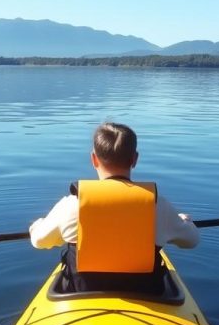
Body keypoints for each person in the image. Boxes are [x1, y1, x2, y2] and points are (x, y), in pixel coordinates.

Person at [29, 122, 199, 294]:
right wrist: (185, 222)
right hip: (146, 295)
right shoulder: (158, 206)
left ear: (93, 159)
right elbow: (192, 241)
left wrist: (37, 225)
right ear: (134, 159)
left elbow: (39, 241)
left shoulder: (71, 205)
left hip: (81, 294)